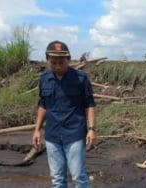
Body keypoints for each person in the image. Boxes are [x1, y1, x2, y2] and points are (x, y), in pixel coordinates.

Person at [32, 40, 96, 188]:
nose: (58, 66)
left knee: (78, 176)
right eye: (53, 62)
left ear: (68, 59)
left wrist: (92, 129)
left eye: (62, 62)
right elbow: (43, 105)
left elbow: (89, 105)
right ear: (48, 61)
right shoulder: (45, 79)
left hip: (74, 134)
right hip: (52, 135)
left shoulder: (80, 78)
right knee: (57, 179)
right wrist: (37, 130)